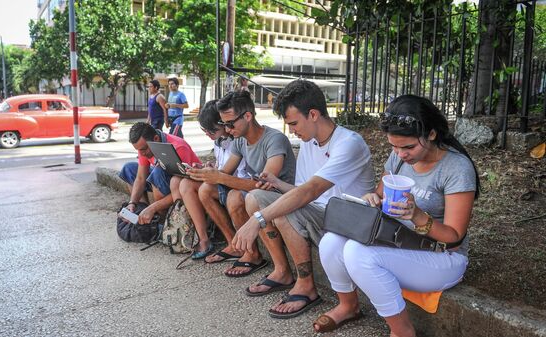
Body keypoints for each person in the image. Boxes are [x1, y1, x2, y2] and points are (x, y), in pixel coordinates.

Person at [315, 95, 480, 335]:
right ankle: (348, 306)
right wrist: (372, 198)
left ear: (431, 134)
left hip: (442, 256)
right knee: (331, 242)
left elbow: (454, 237)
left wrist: (417, 215)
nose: (400, 154)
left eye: (408, 147)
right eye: (394, 146)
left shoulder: (457, 168)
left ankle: (402, 331)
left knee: (357, 253)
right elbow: (380, 194)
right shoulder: (400, 158)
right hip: (399, 240)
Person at [232, 79, 375, 319]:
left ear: (314, 114)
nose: (292, 131)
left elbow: (310, 192)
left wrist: (257, 220)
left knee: (281, 210)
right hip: (321, 213)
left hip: (349, 222)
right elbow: (301, 189)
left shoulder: (349, 143)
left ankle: (306, 286)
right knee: (256, 197)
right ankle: (281, 271)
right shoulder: (310, 142)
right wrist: (277, 184)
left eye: (294, 123)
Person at [188, 90, 296, 276]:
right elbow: (225, 172)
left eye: (230, 124)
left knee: (235, 196)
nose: (227, 130)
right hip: (255, 193)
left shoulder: (274, 139)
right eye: (224, 124)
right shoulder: (239, 140)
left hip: (282, 194)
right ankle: (237, 246)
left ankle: (258, 257)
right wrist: (204, 172)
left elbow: (266, 183)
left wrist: (220, 177)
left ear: (247, 116)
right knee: (206, 189)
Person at [169, 99, 248, 260]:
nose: (208, 134)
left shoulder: (238, 140)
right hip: (224, 181)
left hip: (238, 187)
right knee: (183, 182)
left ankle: (232, 242)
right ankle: (201, 237)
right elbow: (222, 168)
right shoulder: (220, 141)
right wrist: (207, 167)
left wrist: (211, 173)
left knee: (202, 188)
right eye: (205, 131)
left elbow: (234, 174)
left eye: (212, 131)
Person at [118, 122, 200, 225]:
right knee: (129, 169)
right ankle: (142, 212)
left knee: (157, 172)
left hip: (184, 185)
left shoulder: (178, 147)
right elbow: (140, 178)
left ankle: (162, 219)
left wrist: (153, 207)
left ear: (156, 138)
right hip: (165, 180)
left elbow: (183, 188)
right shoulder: (144, 147)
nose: (141, 153)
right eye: (139, 150)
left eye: (143, 149)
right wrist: (132, 203)